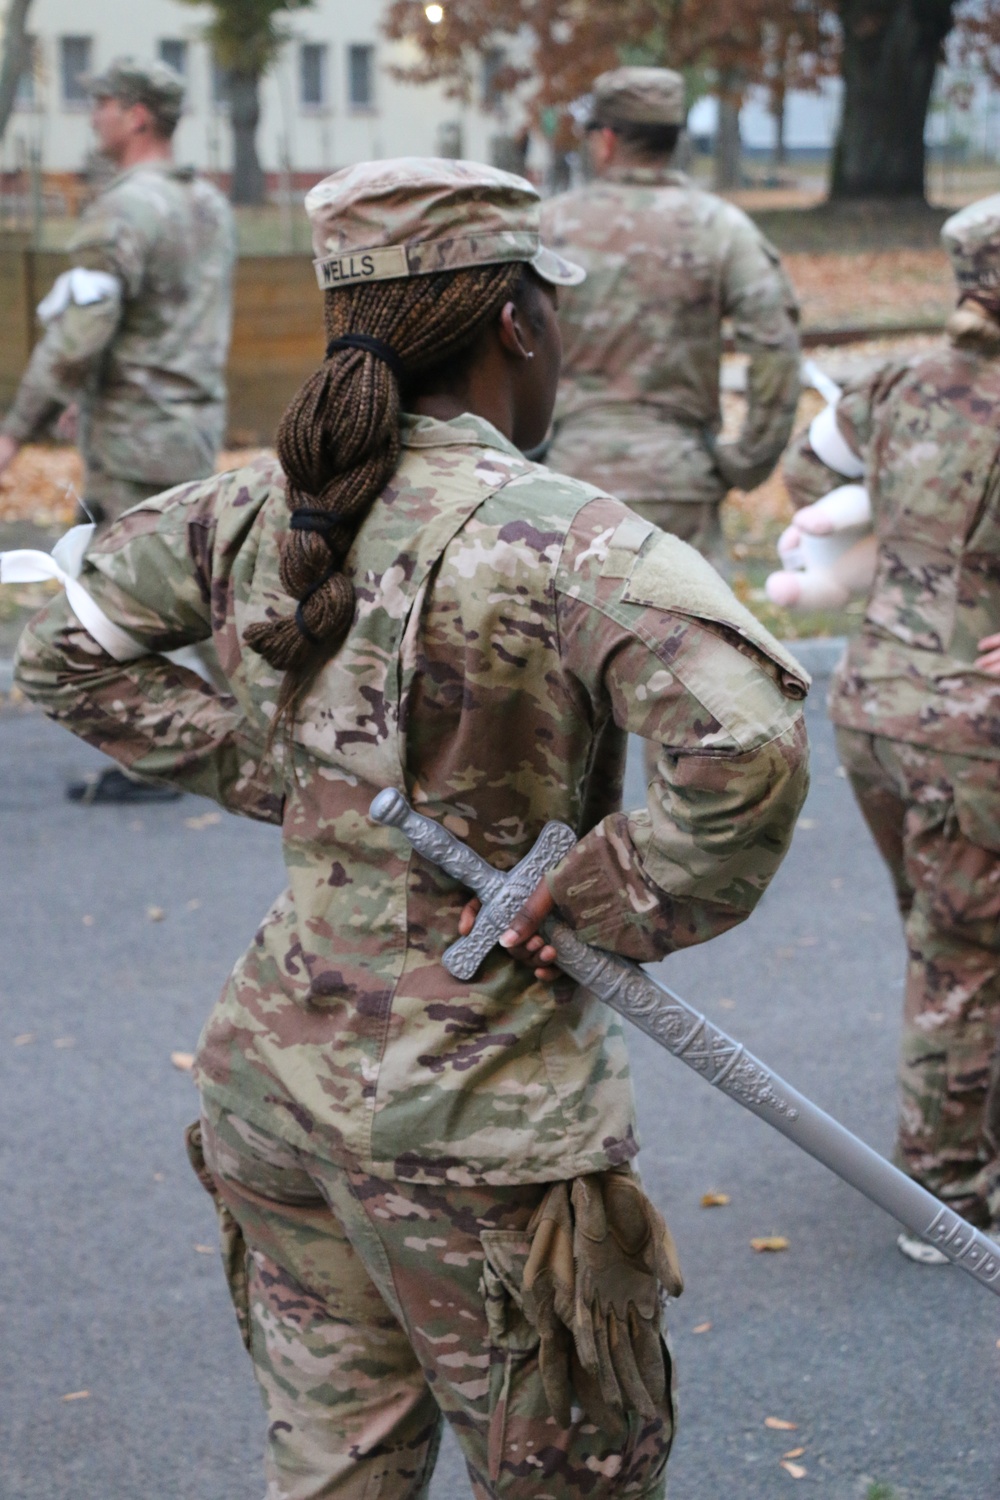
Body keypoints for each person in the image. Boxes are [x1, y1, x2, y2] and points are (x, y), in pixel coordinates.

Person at [14, 158, 809, 1498]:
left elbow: (60, 654)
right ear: (517, 326)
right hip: (483, 1128)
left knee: (337, 1472)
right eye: (548, 313)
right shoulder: (572, 543)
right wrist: (609, 901)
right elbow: (750, 737)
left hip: (277, 1091)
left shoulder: (251, 510)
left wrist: (276, 769)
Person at [771, 193, 1000, 1264]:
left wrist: (894, 547)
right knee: (965, 959)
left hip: (875, 703)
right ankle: (949, 1200)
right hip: (974, 723)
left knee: (945, 938)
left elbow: (810, 475)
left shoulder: (900, 383)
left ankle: (965, 1144)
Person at [0, 57, 235, 803]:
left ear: (137, 115)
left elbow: (79, 334)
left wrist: (17, 428)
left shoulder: (121, 211)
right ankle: (278, 737)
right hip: (189, 425)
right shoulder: (208, 204)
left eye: (100, 103)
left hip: (133, 444)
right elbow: (159, 324)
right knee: (188, 593)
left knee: (126, 606)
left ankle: (187, 754)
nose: (92, 116)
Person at [540, 66, 801, 576]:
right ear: (674, 140)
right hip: (679, 483)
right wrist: (749, 459)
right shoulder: (721, 228)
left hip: (566, 480)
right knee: (692, 648)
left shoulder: (546, 226)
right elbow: (777, 344)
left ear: (607, 140)